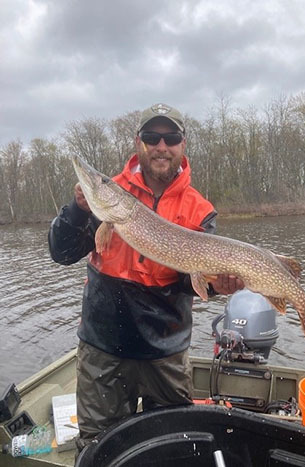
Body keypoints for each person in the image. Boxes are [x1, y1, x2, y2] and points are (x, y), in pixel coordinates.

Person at [48, 103, 244, 454]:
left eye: (171, 138)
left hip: (165, 352)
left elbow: (191, 281)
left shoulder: (199, 209)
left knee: (172, 446)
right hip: (104, 348)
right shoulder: (110, 196)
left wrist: (216, 284)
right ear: (139, 142)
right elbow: (61, 253)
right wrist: (78, 208)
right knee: (99, 448)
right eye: (153, 137)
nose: (161, 146)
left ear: (183, 145)